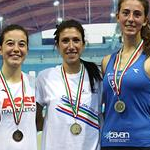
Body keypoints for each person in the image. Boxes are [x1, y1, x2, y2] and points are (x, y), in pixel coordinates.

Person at [36, 19, 102, 150]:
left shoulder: (97, 77)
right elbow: (36, 121)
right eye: (65, 40)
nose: (71, 46)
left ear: (83, 44)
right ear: (58, 45)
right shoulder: (45, 77)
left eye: (76, 40)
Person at [101, 0, 150, 149]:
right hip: (110, 141)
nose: (130, 19)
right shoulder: (107, 61)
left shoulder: (148, 60)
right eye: (126, 13)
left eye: (137, 14)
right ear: (118, 17)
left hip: (141, 143)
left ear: (145, 20)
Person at [0, 24, 37, 150]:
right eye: (10, 43)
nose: (16, 49)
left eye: (21, 44)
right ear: (0, 49)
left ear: (27, 49)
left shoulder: (35, 84)